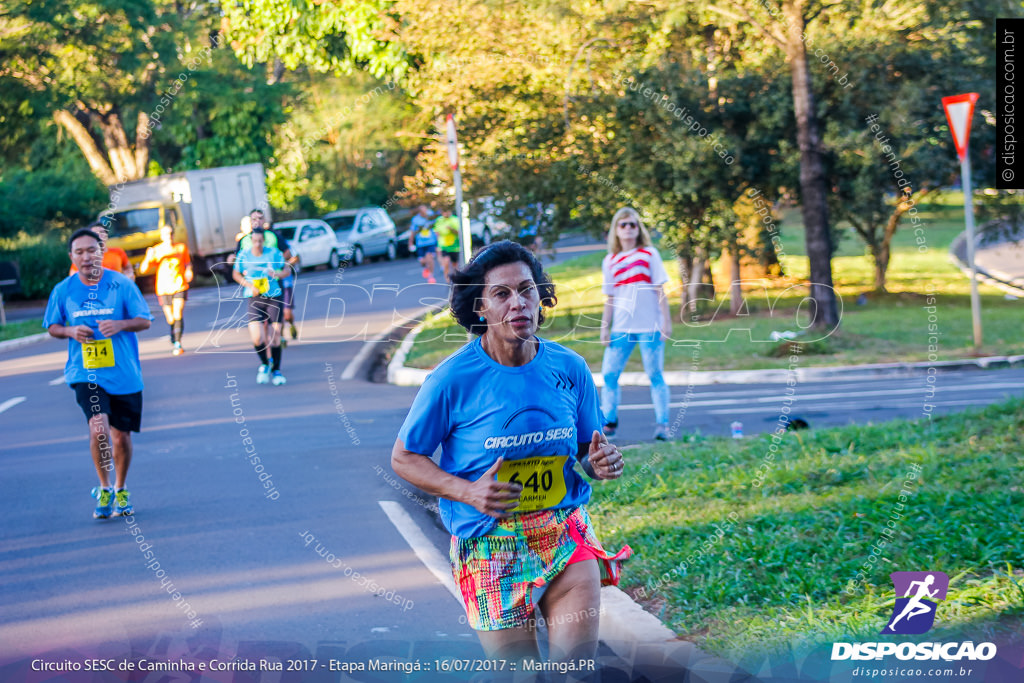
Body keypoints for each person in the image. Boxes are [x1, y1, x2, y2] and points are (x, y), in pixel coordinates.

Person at [392, 240, 631, 668]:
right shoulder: (451, 380)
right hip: (489, 543)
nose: (517, 302)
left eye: (527, 289)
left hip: (563, 531)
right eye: (501, 294)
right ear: (480, 307)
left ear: (542, 297)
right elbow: (405, 457)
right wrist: (467, 492)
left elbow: (586, 450)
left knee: (574, 672)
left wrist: (600, 463)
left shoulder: (570, 368)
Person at [44, 227, 153, 519]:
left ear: (101, 252)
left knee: (121, 438)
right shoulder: (63, 290)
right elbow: (53, 326)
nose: (86, 256)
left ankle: (120, 486)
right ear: (72, 257)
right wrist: (69, 330)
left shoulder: (121, 285)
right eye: (79, 252)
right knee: (99, 428)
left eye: (91, 250)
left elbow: (145, 320)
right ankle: (104, 486)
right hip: (86, 372)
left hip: (123, 373)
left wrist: (120, 325)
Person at [599, 208, 672, 441]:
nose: (628, 228)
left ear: (638, 228)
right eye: (623, 225)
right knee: (609, 374)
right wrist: (604, 327)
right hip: (621, 328)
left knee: (655, 374)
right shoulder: (610, 261)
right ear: (616, 230)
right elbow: (609, 298)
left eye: (632, 224)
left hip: (650, 327)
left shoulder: (649, 254)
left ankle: (663, 425)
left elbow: (660, 290)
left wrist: (666, 322)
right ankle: (609, 422)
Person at [233, 228, 289, 386]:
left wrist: (276, 274)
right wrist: (248, 285)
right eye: (255, 241)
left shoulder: (273, 253)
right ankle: (265, 364)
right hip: (254, 298)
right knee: (257, 337)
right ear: (251, 241)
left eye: (260, 241)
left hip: (273, 296)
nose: (257, 244)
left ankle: (276, 371)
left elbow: (286, 270)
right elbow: (236, 273)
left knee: (275, 336)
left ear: (264, 240)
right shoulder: (244, 255)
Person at [139, 224, 192, 355]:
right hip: (163, 288)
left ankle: (178, 343)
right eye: (166, 235)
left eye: (170, 234)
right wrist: (148, 256)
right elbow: (143, 269)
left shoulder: (181, 247)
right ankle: (174, 335)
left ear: (173, 235)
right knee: (170, 318)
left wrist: (189, 271)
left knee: (177, 313)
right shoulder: (157, 250)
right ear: (162, 237)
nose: (169, 237)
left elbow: (188, 263)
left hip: (180, 285)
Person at [68, 222, 135, 281]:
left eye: (102, 232)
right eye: (95, 233)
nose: (99, 235)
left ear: (107, 235)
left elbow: (128, 268)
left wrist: (129, 277)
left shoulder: (117, 251)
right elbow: (73, 277)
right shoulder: (83, 258)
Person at [408, 205, 438, 283]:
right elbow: (413, 231)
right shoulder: (415, 220)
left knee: (430, 258)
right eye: (423, 212)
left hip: (430, 242)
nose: (425, 213)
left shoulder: (431, 215)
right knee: (422, 261)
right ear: (420, 212)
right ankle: (425, 268)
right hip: (420, 243)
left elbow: (436, 226)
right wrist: (410, 242)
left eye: (425, 211)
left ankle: (431, 276)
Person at [434, 206, 461, 282]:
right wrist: (437, 245)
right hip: (444, 245)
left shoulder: (455, 219)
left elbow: (459, 232)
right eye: (443, 212)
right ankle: (447, 279)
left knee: (455, 264)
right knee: (445, 262)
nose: (445, 213)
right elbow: (437, 233)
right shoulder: (439, 220)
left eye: (447, 211)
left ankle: (456, 278)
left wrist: (451, 229)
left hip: (454, 245)